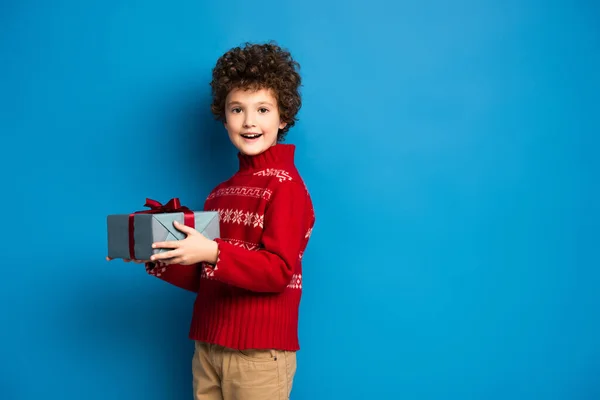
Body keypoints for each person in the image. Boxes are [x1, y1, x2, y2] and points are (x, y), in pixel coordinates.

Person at [109, 42, 315, 400]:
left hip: (258, 356)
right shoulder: (221, 192)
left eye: (262, 109)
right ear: (224, 116)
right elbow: (211, 275)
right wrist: (156, 253)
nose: (249, 121)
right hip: (209, 346)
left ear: (283, 118)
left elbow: (278, 271)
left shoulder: (286, 187)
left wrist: (213, 251)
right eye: (238, 109)